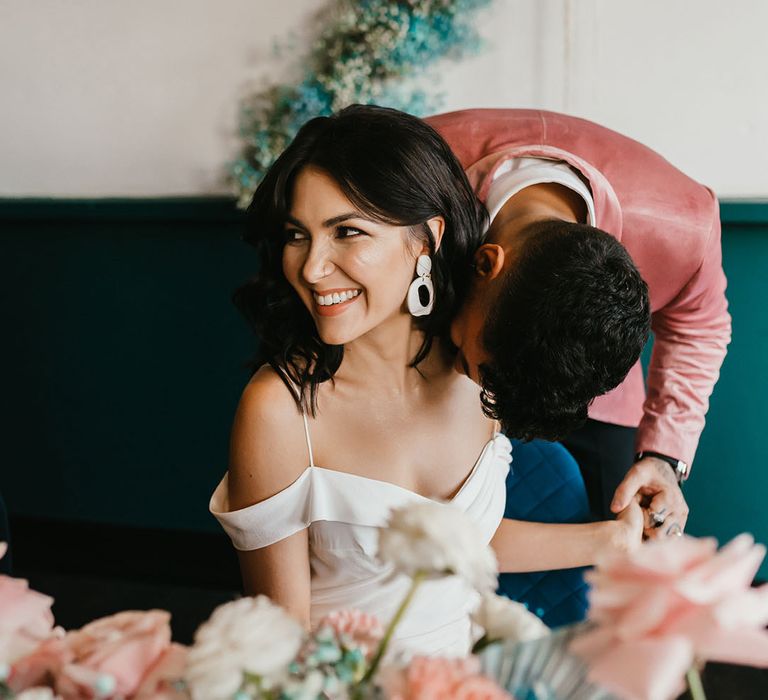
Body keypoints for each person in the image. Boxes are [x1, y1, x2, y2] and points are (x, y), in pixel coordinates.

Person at [209, 105, 643, 658]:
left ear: (427, 238)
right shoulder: (280, 408)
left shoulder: (475, 376)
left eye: (346, 232)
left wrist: (612, 539)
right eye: (298, 234)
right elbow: (280, 639)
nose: (313, 268)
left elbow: (457, 541)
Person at [428, 108, 731, 535]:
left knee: (622, 529)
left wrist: (663, 456)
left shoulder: (683, 226)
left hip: (589, 393)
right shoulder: (409, 171)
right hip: (420, 367)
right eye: (471, 359)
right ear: (482, 262)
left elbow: (700, 328)